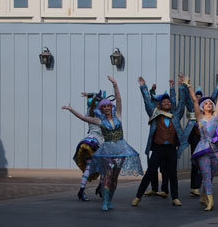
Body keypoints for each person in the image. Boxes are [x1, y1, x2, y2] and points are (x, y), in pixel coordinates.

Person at [62, 76, 143, 211]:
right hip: (107, 150)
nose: (106, 107)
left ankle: (110, 200)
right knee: (107, 176)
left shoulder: (118, 114)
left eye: (108, 105)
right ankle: (105, 201)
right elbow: (83, 118)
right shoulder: (99, 121)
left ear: (111, 107)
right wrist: (71, 109)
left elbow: (119, 99)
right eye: (104, 106)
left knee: (115, 178)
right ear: (101, 108)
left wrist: (115, 85)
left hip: (121, 149)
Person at [132, 76, 187, 207]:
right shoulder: (155, 114)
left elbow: (182, 101)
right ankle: (138, 197)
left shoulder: (176, 115)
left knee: (173, 174)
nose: (167, 103)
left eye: (169, 101)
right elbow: (147, 101)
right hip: (158, 148)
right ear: (160, 104)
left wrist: (181, 86)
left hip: (171, 149)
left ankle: (175, 197)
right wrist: (143, 87)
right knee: (150, 172)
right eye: (164, 102)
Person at [185, 75, 218, 211]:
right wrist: (189, 86)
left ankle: (204, 195)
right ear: (203, 107)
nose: (208, 104)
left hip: (215, 149)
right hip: (203, 149)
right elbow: (194, 101)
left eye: (210, 103)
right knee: (206, 175)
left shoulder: (215, 116)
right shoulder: (200, 117)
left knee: (212, 174)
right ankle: (210, 201)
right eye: (206, 103)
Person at [72, 91, 105, 201]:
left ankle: (82, 190)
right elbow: (102, 96)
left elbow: (93, 103)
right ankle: (100, 187)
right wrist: (93, 96)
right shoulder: (101, 114)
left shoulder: (89, 112)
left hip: (89, 141)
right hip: (98, 141)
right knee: (104, 166)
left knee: (90, 166)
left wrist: (89, 96)